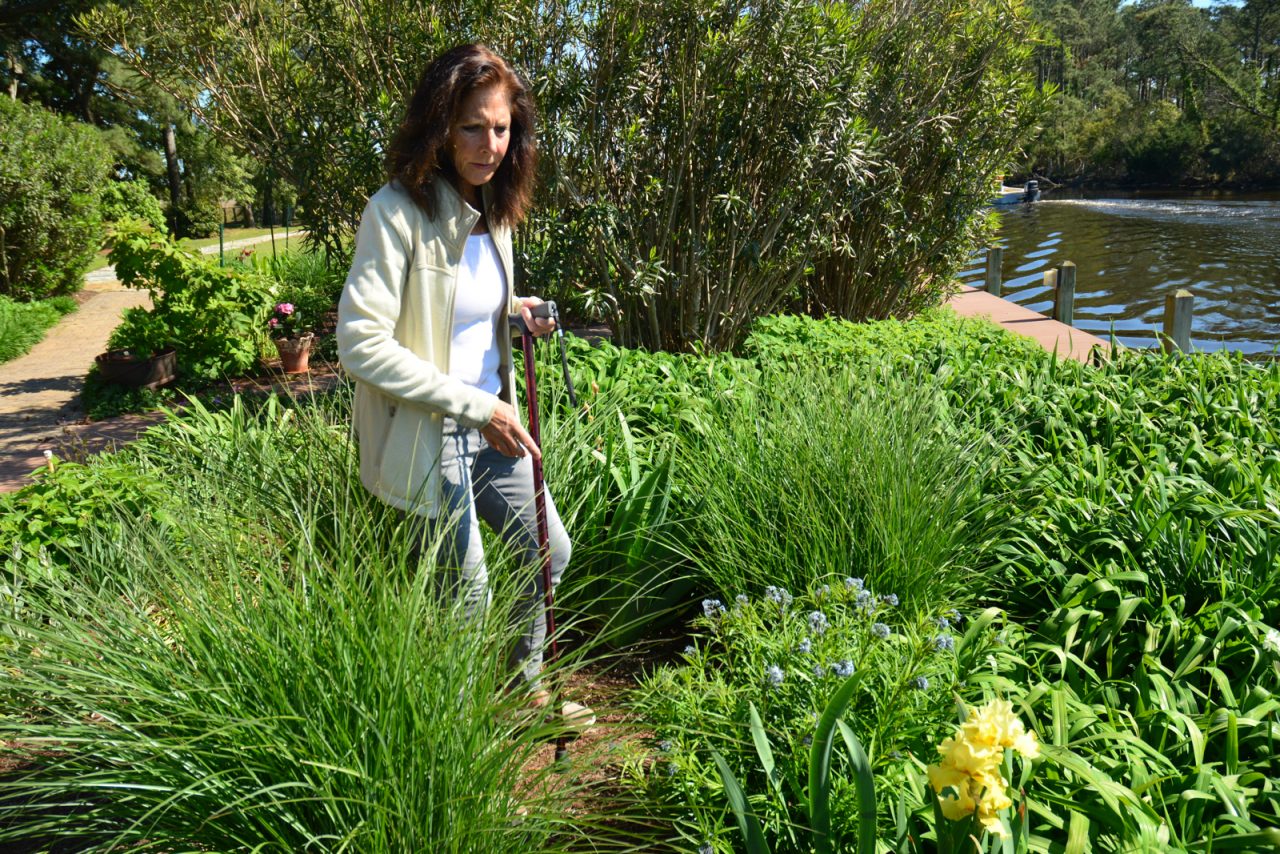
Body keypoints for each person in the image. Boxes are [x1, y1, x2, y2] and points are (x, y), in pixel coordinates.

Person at [337, 43, 591, 728]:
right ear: (440, 125)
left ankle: (520, 690)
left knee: (548, 554)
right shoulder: (394, 213)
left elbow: (457, 305)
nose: (490, 144)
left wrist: (518, 309)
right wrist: (479, 406)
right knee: (468, 592)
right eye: (473, 126)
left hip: (491, 426)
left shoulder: (492, 210)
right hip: (432, 435)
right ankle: (451, 738)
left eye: (502, 128)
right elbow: (360, 343)